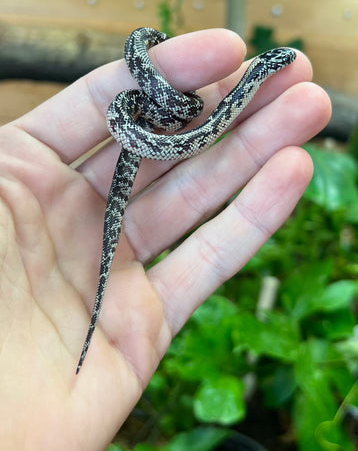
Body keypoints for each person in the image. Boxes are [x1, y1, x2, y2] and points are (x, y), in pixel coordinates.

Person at [0, 28, 330, 449]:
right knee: (181, 110)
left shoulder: (209, 102)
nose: (279, 65)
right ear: (268, 70)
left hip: (155, 121)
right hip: (145, 117)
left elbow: (196, 115)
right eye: (278, 62)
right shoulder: (140, 108)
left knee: (188, 110)